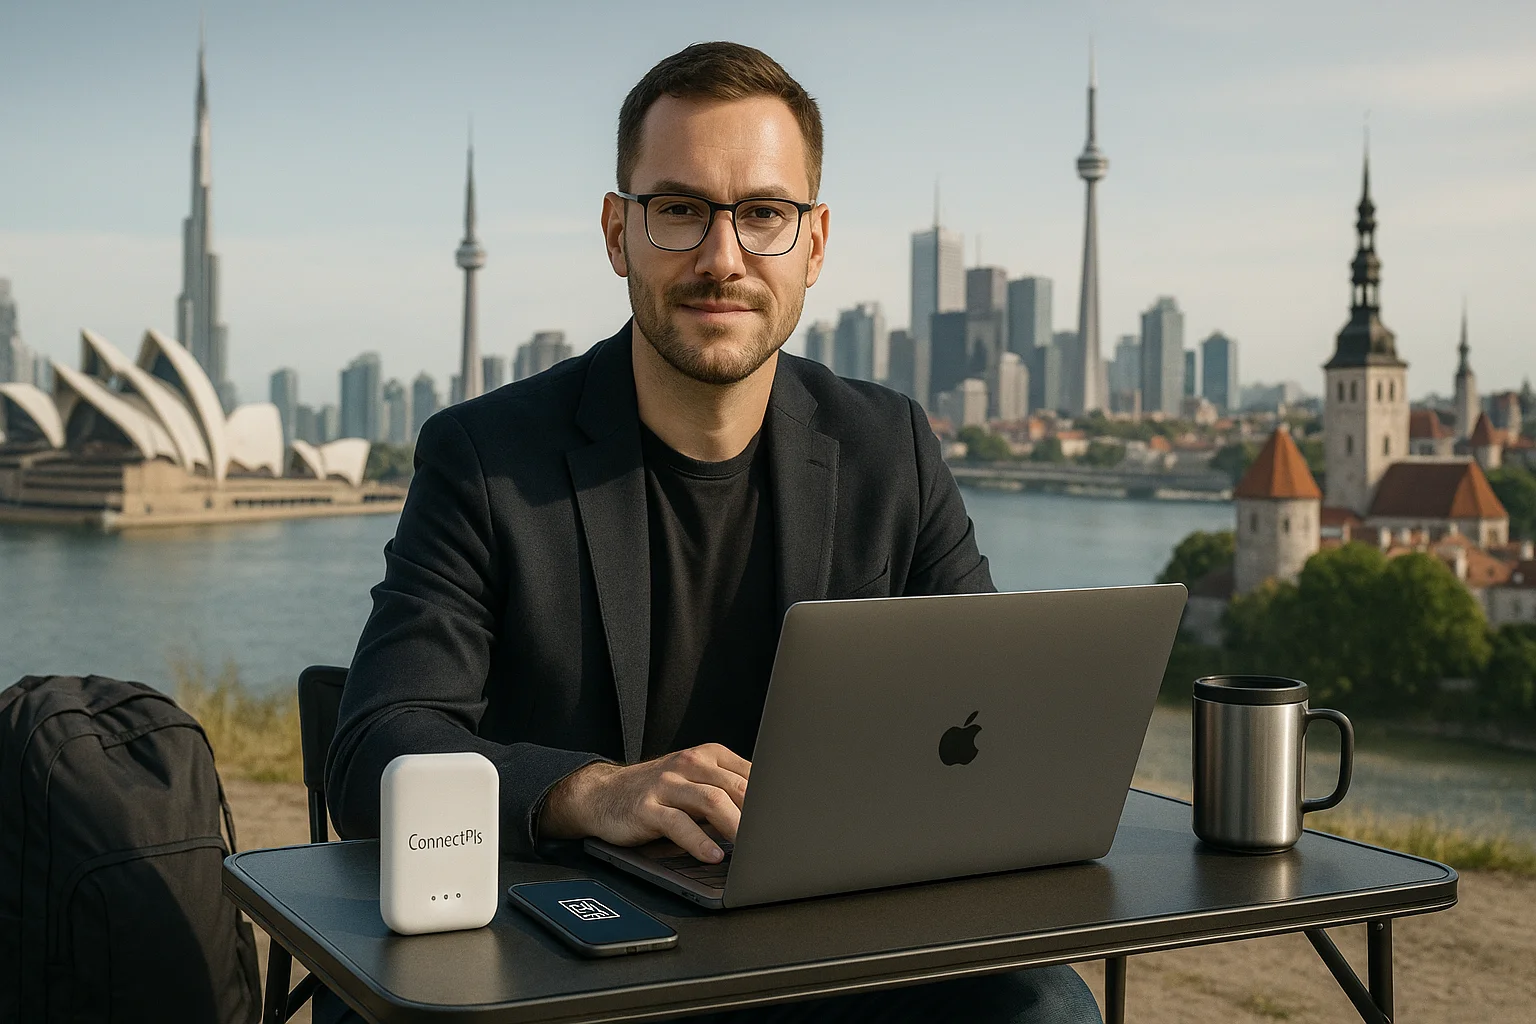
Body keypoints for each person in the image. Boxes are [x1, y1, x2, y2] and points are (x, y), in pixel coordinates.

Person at [320, 41, 1104, 1024]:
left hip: (815, 954)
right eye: (680, 210)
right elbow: (374, 750)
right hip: (563, 960)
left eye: (764, 215)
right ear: (619, 233)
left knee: (1045, 1008)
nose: (721, 257)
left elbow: (990, 712)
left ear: (814, 244)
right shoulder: (483, 459)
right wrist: (592, 793)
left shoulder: (889, 445)